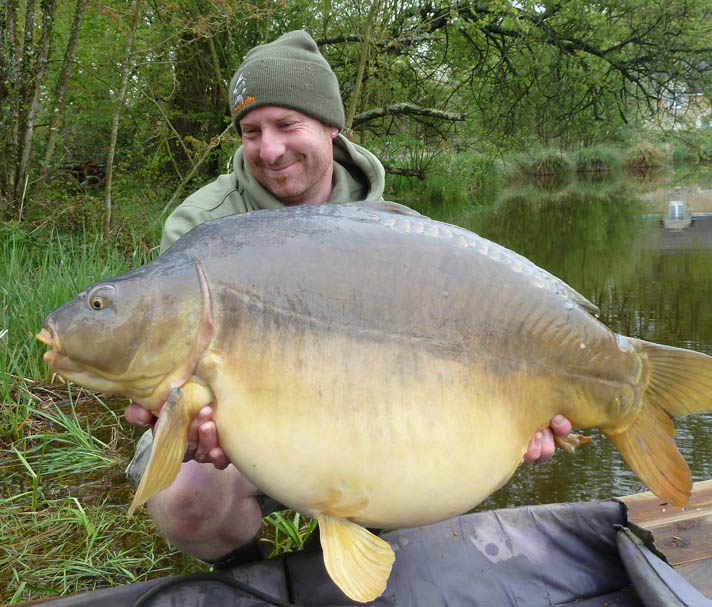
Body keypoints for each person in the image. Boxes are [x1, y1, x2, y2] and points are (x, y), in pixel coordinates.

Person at [125, 29, 572, 569]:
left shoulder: (401, 236)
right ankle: (249, 577)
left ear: (331, 127)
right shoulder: (202, 225)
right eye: (251, 131)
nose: (269, 149)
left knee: (430, 470)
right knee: (185, 497)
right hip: (249, 425)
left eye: (287, 125)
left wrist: (515, 415)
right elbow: (169, 359)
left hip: (370, 414)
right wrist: (171, 416)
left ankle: (334, 564)